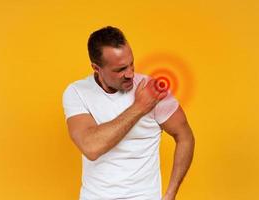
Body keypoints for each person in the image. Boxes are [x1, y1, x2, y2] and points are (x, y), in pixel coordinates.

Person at [62, 26, 195, 200]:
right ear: (96, 67)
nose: (130, 74)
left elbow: (185, 136)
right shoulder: (77, 92)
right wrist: (140, 107)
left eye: (131, 63)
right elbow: (91, 147)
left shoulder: (153, 90)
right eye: (120, 69)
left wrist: (171, 194)